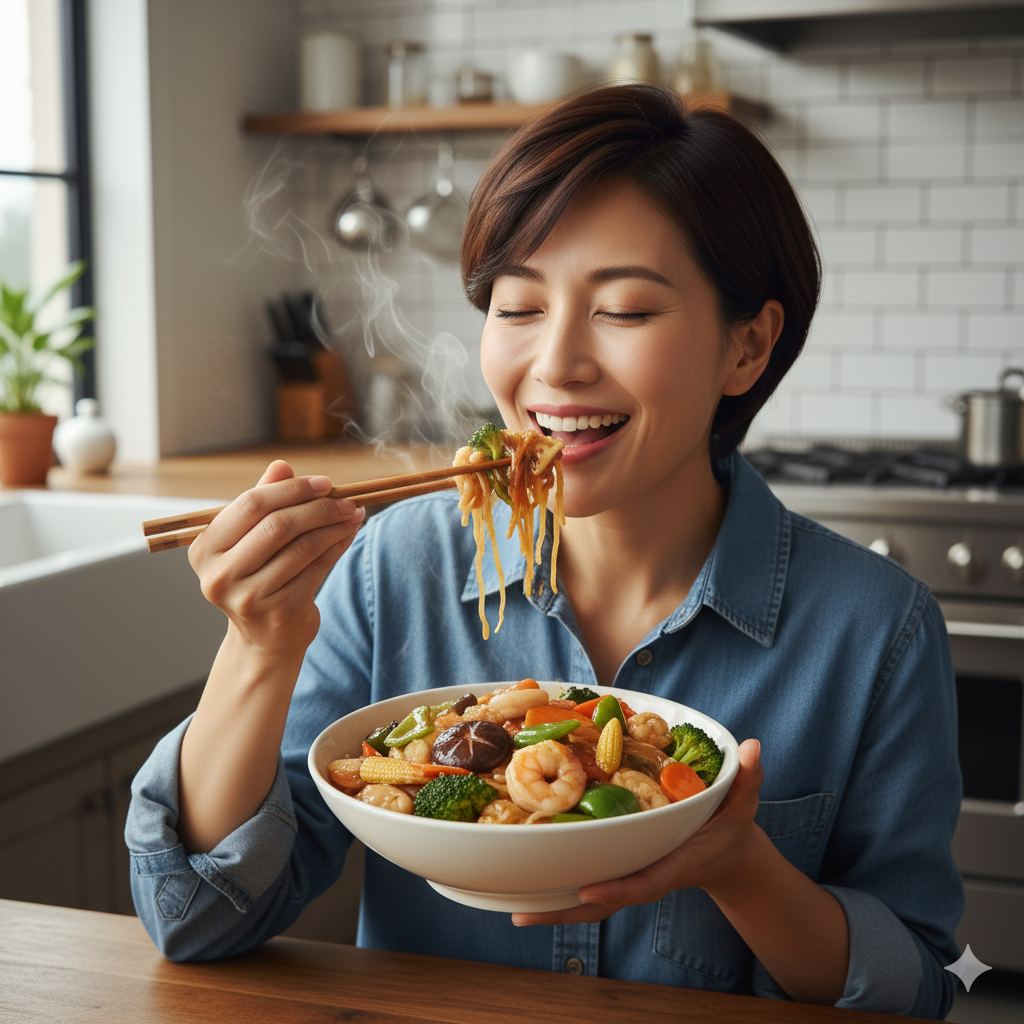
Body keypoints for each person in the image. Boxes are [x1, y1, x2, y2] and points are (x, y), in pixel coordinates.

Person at [127, 85, 962, 1017]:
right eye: (518, 306)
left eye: (626, 311)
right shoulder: (390, 569)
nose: (556, 365)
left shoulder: (876, 628)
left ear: (747, 345)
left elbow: (920, 989)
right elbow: (197, 920)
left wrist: (742, 867)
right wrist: (257, 647)